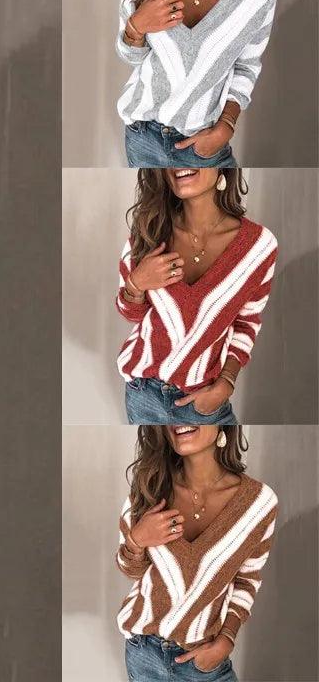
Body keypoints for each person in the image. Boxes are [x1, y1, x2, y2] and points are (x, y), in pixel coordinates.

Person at [115, 169, 277, 425]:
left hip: (204, 397)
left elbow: (247, 323)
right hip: (144, 395)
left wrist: (226, 382)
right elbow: (131, 314)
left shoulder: (258, 247)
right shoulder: (148, 234)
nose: (179, 166)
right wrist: (137, 283)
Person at [117, 425, 278, 682]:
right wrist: (137, 540)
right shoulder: (149, 489)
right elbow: (130, 570)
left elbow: (247, 579)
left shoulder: (258, 503)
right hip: (144, 654)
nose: (179, 422)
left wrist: (226, 639)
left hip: (203, 661)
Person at [116, 0, 276, 169]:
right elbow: (131, 57)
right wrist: (137, 26)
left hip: (203, 142)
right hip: (143, 138)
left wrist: (226, 125)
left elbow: (247, 66)